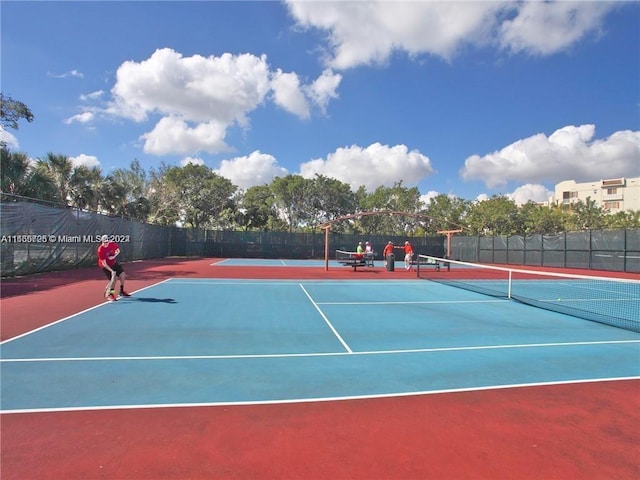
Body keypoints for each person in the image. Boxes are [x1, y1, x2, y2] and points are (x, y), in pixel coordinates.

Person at [97, 234, 130, 301]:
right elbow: (104, 263)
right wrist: (111, 271)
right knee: (114, 279)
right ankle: (111, 294)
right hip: (105, 266)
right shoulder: (100, 250)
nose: (106, 243)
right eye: (104, 242)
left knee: (122, 275)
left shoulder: (112, 244)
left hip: (114, 263)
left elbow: (118, 250)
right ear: (102, 241)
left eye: (107, 242)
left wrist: (114, 256)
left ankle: (121, 291)